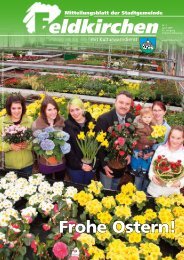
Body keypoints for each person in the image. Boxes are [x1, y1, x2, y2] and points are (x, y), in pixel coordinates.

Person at [95, 91, 134, 190]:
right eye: (121, 102)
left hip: (121, 164)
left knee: (116, 186)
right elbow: (98, 143)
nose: (124, 106)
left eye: (127, 104)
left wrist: (129, 153)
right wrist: (104, 165)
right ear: (115, 102)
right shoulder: (104, 119)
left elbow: (132, 139)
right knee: (106, 189)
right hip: (107, 165)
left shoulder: (131, 118)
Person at [63, 97, 95, 185]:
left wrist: (93, 164)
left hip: (90, 165)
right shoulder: (66, 125)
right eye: (72, 110)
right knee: (77, 187)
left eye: (77, 109)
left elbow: (98, 146)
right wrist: (80, 165)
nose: (75, 113)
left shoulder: (92, 123)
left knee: (88, 187)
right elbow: (68, 149)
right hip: (75, 167)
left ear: (82, 109)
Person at [32, 95, 65, 180]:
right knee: (47, 183)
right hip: (45, 162)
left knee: (60, 182)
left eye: (55, 109)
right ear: (44, 111)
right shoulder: (36, 124)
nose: (53, 112)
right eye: (49, 109)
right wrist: (46, 155)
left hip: (61, 161)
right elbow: (35, 145)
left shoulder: (62, 121)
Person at [0, 94, 33, 175]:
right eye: (13, 108)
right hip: (10, 165)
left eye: (19, 108)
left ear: (23, 108)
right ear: (9, 108)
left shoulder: (30, 121)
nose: (17, 111)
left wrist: (27, 145)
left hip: (27, 164)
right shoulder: (2, 122)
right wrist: (10, 146)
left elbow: (35, 140)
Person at [147, 126, 184, 197]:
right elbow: (152, 166)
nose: (175, 141)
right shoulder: (161, 149)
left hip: (172, 193)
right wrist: (152, 176)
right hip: (154, 191)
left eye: (178, 138)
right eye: (172, 137)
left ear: (183, 139)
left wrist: (180, 183)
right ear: (169, 136)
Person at [131, 107, 155, 192]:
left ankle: (143, 191)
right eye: (145, 117)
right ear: (141, 118)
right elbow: (141, 138)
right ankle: (136, 191)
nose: (147, 119)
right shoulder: (140, 125)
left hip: (147, 150)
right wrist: (153, 140)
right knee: (139, 172)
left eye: (149, 117)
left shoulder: (152, 125)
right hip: (140, 148)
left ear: (152, 117)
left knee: (145, 172)